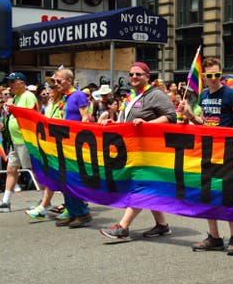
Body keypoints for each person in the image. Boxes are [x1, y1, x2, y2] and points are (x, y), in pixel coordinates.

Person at [179, 57, 233, 255]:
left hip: (227, 150)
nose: (213, 79)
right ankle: (214, 237)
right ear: (203, 76)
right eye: (209, 75)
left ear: (221, 74)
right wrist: (189, 115)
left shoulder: (231, 94)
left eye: (217, 75)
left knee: (228, 195)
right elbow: (202, 121)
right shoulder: (203, 95)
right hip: (207, 150)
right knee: (208, 193)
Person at [99, 62, 177, 240]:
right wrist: (113, 123)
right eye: (131, 74)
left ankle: (123, 226)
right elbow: (127, 122)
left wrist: (148, 124)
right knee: (147, 186)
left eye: (139, 74)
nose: (134, 77)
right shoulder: (132, 96)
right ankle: (162, 225)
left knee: (141, 186)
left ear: (147, 77)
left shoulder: (156, 94)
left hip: (150, 151)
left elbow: (171, 116)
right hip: (133, 150)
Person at [52, 68, 94, 228]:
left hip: (75, 145)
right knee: (63, 179)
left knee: (71, 179)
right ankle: (73, 211)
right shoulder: (65, 97)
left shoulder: (78, 95)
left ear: (69, 81)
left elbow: (85, 118)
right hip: (65, 144)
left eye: (59, 81)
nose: (56, 84)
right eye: (55, 81)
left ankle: (82, 213)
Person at [25, 79, 66, 219]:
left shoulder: (64, 104)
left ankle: (72, 207)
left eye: (53, 87)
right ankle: (44, 206)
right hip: (50, 146)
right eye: (49, 87)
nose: (49, 90)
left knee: (61, 177)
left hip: (62, 147)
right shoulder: (49, 105)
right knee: (53, 176)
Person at [0, 72, 38, 212]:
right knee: (11, 169)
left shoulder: (29, 96)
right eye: (9, 82)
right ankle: (6, 201)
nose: (10, 86)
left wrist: (12, 108)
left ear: (21, 83)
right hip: (15, 140)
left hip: (25, 140)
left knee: (34, 171)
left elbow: (30, 115)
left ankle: (45, 200)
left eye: (12, 82)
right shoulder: (16, 97)